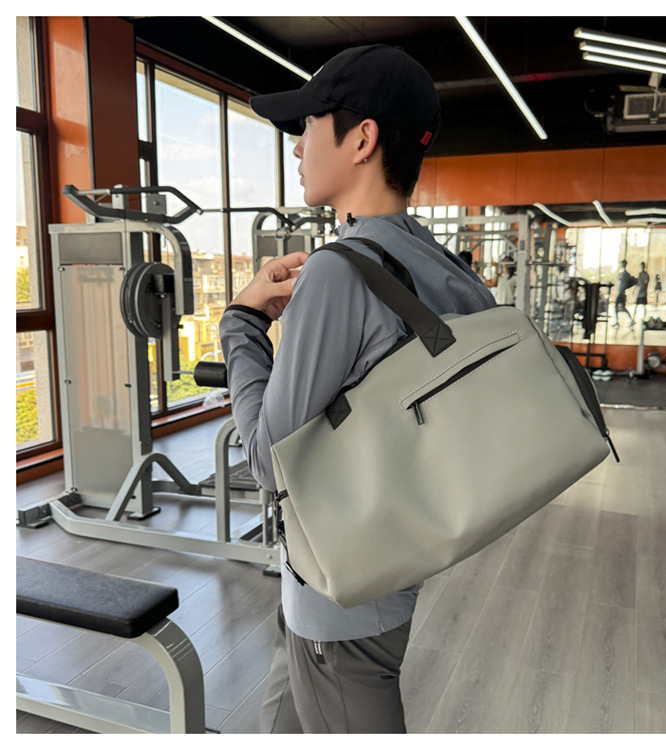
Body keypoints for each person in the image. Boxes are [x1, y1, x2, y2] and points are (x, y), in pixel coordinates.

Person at [219, 44, 496, 733]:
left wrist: (242, 321)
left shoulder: (340, 270)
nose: (297, 147)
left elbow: (268, 458)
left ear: (362, 138)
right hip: (389, 562)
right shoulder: (441, 264)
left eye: (309, 125)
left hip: (342, 602)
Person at [613, 259, 635, 328]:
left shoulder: (625, 274)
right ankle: (619, 321)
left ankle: (619, 321)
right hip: (621, 293)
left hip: (621, 293)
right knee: (619, 307)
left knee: (618, 307)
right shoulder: (623, 273)